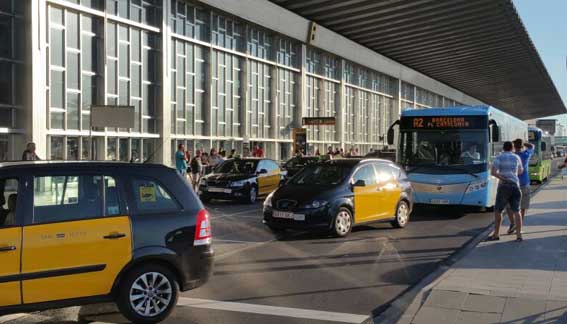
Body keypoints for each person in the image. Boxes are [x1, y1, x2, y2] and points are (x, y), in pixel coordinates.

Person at [488, 141, 524, 242]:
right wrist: (513, 174)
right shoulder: (517, 157)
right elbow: (521, 171)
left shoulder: (499, 157)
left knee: (498, 210)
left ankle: (496, 234)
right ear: (512, 148)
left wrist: (503, 178)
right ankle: (519, 235)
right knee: (517, 210)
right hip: (515, 186)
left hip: (504, 186)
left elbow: (493, 172)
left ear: (503, 148)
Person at [506, 139, 534, 234]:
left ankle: (513, 223)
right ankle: (519, 225)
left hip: (513, 183)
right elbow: (531, 146)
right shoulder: (526, 154)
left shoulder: (511, 156)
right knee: (522, 207)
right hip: (524, 183)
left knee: (509, 206)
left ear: (514, 146)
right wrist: (523, 143)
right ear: (522, 146)